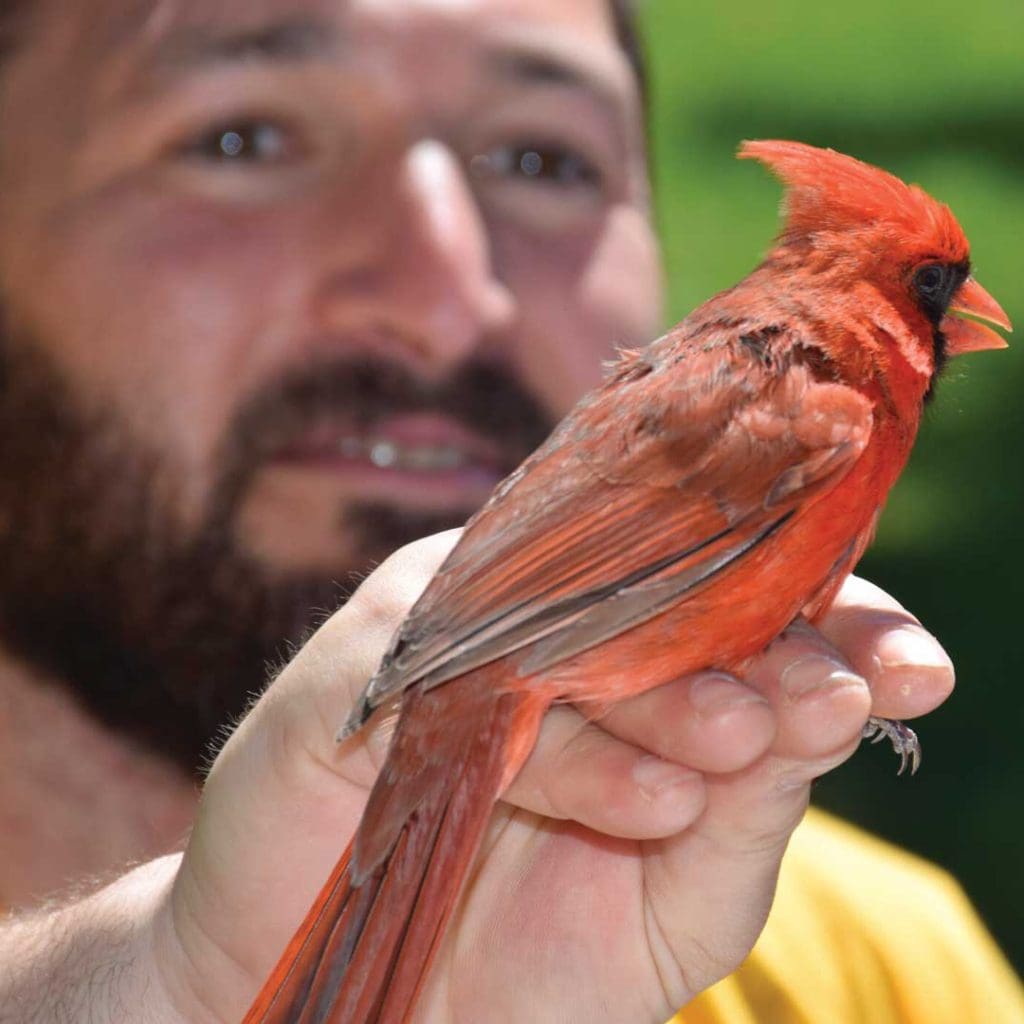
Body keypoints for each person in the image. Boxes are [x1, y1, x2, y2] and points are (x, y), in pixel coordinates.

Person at [0, 0, 1020, 1020]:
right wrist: (169, 989)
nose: (445, 288)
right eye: (242, 140)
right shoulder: (820, 409)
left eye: (542, 160)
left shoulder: (890, 965)